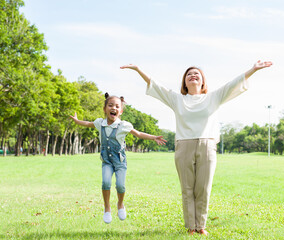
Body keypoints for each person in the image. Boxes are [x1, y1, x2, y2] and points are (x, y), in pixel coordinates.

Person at [120, 60, 272, 236]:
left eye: (196, 74)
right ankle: (191, 227)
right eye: (189, 74)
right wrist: (138, 69)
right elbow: (156, 85)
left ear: (202, 81)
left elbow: (234, 83)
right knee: (187, 188)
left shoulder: (213, 97)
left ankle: (201, 225)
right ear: (185, 82)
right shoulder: (177, 99)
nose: (192, 76)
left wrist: (253, 69)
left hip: (207, 146)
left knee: (204, 188)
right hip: (184, 146)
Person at [70, 93, 166, 224]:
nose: (113, 108)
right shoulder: (100, 123)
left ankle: (120, 204)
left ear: (120, 111)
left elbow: (138, 133)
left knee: (120, 186)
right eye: (110, 105)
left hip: (120, 161)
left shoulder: (124, 125)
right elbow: (87, 123)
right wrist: (77, 121)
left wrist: (153, 137)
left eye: (117, 106)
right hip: (106, 162)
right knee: (105, 183)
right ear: (105, 109)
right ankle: (107, 207)